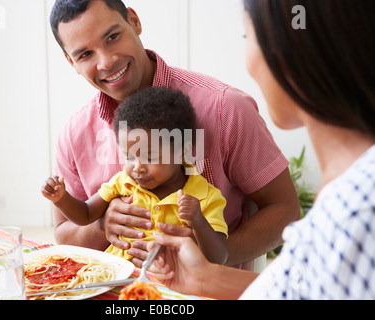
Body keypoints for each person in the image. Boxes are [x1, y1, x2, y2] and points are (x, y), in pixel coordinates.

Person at [49, 0, 300, 268]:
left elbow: (285, 211)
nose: (106, 62)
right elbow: (63, 232)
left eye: (112, 37)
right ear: (71, 62)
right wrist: (100, 227)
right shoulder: (73, 135)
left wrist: (200, 261)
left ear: (134, 21)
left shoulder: (225, 109)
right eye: (85, 54)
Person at [152, 0, 375, 299]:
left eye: (248, 36)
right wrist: (203, 279)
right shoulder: (350, 203)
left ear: (289, 52)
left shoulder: (354, 214)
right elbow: (304, 289)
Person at [42, 87, 228, 263]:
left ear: (182, 151)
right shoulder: (123, 181)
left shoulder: (205, 196)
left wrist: (198, 221)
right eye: (130, 156)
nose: (138, 167)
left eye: (150, 156)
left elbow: (218, 258)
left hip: (172, 286)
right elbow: (86, 214)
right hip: (117, 278)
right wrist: (61, 198)